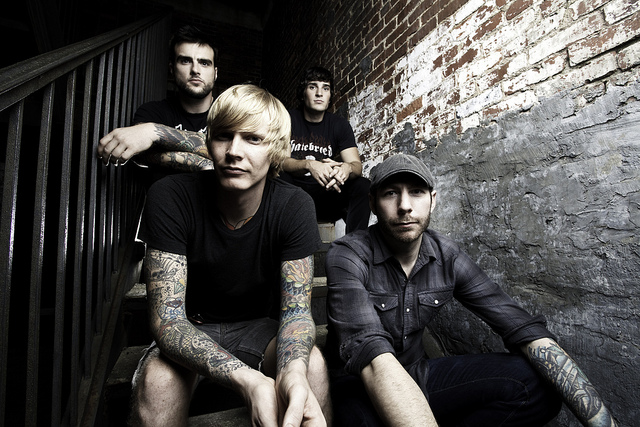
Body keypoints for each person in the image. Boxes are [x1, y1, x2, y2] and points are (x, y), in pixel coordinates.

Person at [324, 153, 617, 426]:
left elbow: (521, 327)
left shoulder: (446, 255)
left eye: (416, 192)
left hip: (416, 374)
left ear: (432, 200)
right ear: (372, 203)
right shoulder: (347, 254)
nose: (405, 206)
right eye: (390, 193)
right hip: (358, 384)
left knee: (540, 384)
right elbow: (371, 355)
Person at [129, 84, 331, 426]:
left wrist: (293, 372)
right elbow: (168, 321)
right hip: (192, 326)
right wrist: (248, 380)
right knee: (157, 382)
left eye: (253, 139)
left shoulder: (294, 205)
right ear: (209, 142)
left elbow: (297, 313)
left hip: (260, 327)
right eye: (224, 136)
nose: (234, 151)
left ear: (276, 150)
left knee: (311, 368)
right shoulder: (170, 196)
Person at [100, 25, 218, 182]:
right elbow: (143, 154)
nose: (195, 70)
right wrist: (207, 164)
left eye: (204, 63)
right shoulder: (152, 111)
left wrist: (153, 132)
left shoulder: (230, 113)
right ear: (172, 68)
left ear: (215, 73)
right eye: (185, 61)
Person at [281, 66, 370, 233]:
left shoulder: (339, 125)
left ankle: (355, 244)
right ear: (303, 93)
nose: (319, 93)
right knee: (278, 177)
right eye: (312, 87)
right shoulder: (288, 119)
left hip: (326, 195)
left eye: (326, 88)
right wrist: (309, 164)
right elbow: (281, 162)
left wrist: (346, 168)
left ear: (330, 96)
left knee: (362, 185)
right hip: (294, 196)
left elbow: (356, 166)